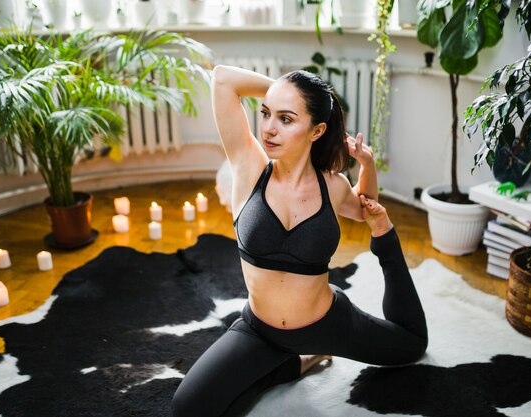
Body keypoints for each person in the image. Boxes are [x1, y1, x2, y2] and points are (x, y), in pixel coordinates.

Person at [171, 66, 427, 417]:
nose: (269, 128)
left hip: (329, 324)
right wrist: (282, 90)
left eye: (286, 119)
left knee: (411, 346)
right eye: (265, 113)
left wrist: (367, 167)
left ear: (317, 130)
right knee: (188, 409)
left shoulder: (332, 185)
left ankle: (310, 352)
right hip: (260, 330)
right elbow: (222, 78)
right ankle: (296, 364)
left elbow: (365, 210)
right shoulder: (249, 169)